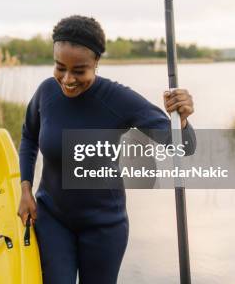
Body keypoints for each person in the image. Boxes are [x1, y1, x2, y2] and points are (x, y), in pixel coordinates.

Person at [17, 16, 196, 284]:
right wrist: (25, 189)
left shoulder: (117, 99)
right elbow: (29, 137)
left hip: (104, 226)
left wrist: (181, 120)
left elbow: (184, 146)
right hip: (52, 218)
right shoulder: (46, 92)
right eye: (60, 67)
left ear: (96, 63)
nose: (67, 79)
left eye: (79, 71)